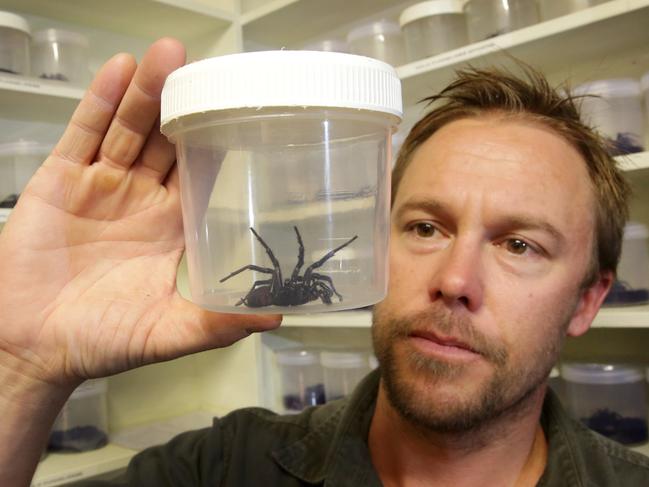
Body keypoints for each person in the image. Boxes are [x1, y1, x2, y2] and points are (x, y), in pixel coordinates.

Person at [0, 37, 648, 487]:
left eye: (518, 245)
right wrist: (21, 368)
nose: (454, 280)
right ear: (377, 235)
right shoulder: (227, 465)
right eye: (424, 226)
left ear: (588, 299)